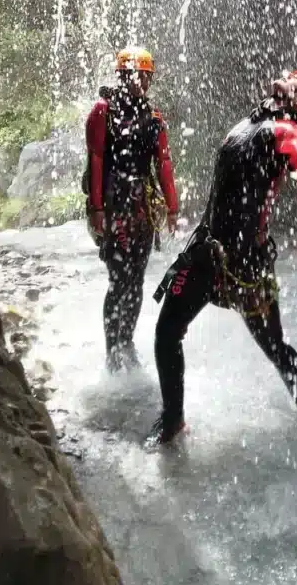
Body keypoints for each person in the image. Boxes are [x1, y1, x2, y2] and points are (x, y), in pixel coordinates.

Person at [148, 69, 297, 445]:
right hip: (206, 252)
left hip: (245, 265)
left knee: (274, 347)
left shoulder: (287, 132)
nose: (286, 82)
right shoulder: (249, 125)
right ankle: (173, 420)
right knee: (166, 332)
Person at [84, 48, 178, 372]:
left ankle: (127, 341)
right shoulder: (103, 111)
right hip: (113, 208)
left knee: (136, 280)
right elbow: (96, 159)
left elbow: (163, 163)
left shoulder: (154, 117)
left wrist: (173, 207)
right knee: (118, 279)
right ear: (122, 77)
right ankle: (113, 350)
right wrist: (97, 208)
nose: (141, 82)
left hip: (141, 209)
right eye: (135, 76)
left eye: (146, 77)